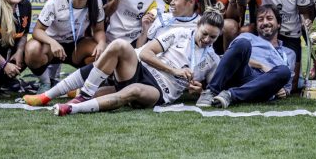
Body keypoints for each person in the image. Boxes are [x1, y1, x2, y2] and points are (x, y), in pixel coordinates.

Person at [45, 10, 224, 115]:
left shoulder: (213, 60)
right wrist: (174, 70)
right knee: (119, 45)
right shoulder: (180, 33)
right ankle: (77, 94)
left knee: (133, 91)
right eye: (205, 33)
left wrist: (199, 91)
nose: (207, 39)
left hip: (160, 91)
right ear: (198, 25)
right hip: (140, 69)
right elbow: (145, 54)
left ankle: (72, 109)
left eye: (213, 37)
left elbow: (210, 91)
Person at [242, 0, 312, 90]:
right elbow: (243, 1)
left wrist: (307, 25)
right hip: (268, 30)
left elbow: (304, 13)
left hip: (291, 33)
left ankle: (299, 78)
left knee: (292, 86)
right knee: (261, 73)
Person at [196, 5, 296, 108]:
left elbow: (287, 84)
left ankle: (230, 95)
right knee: (243, 43)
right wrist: (261, 65)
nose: (265, 22)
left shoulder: (289, 53)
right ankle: (211, 91)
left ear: (278, 23)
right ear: (256, 25)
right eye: (260, 20)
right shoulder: (247, 37)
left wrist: (284, 91)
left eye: (269, 18)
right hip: (242, 72)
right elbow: (231, 58)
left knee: (284, 71)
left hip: (263, 83)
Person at [25, 0, 106, 92]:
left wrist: (101, 43)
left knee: (102, 53)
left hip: (76, 46)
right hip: (50, 46)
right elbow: (37, 31)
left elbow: (99, 30)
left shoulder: (96, 1)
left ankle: (82, 84)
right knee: (32, 50)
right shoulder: (55, 1)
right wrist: (52, 42)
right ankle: (45, 83)